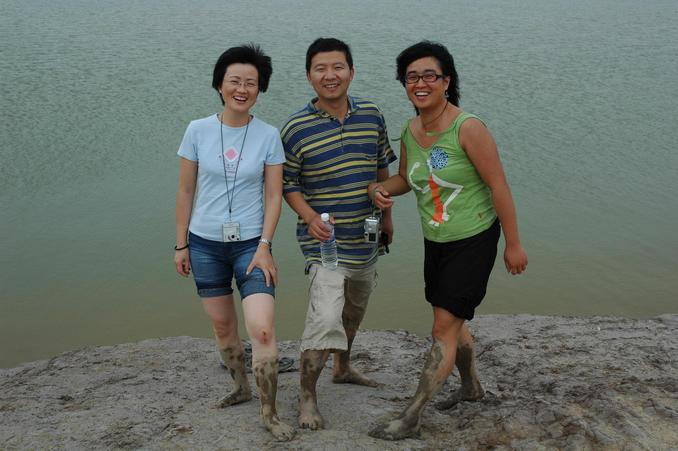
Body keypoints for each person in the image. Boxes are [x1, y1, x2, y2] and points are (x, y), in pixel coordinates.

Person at [367, 41, 528, 440]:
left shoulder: (467, 128)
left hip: (473, 239)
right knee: (453, 322)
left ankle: (411, 416)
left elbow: (499, 186)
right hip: (435, 240)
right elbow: (407, 178)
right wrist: (378, 188)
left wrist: (513, 244)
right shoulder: (411, 128)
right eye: (411, 77)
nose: (420, 83)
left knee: (443, 326)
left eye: (429, 76)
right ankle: (471, 385)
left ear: (446, 81)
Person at [173, 44, 295, 442]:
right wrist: (181, 245)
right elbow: (186, 191)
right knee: (224, 328)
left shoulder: (269, 135)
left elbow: (275, 196)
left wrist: (265, 244)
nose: (242, 89)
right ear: (220, 85)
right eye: (234, 81)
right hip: (204, 244)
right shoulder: (197, 129)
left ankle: (269, 411)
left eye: (251, 83)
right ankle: (240, 386)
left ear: (260, 89)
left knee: (260, 330)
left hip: (251, 246)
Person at [281, 37, 397, 430]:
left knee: (353, 311)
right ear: (309, 75)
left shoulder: (372, 114)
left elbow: (382, 169)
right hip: (324, 244)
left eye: (338, 67)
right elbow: (288, 184)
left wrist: (388, 219)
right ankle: (308, 397)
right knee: (324, 318)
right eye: (321, 69)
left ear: (352, 71)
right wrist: (310, 216)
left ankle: (342, 368)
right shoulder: (296, 128)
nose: (330, 76)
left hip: (365, 238)